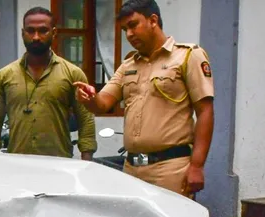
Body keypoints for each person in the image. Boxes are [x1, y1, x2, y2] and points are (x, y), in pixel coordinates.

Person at [74, 0, 214, 197]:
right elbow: (103, 103)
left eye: (133, 25)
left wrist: (197, 165)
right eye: (124, 29)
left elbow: (205, 111)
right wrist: (90, 98)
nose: (129, 34)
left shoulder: (188, 57)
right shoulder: (128, 65)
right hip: (132, 169)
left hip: (170, 168)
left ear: (153, 20)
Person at [0, 7, 96, 161]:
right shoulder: (5, 76)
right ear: (23, 33)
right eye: (30, 31)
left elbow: (86, 120)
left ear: (54, 33)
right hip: (17, 163)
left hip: (59, 163)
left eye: (43, 31)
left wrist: (87, 161)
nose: (36, 37)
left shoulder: (73, 74)